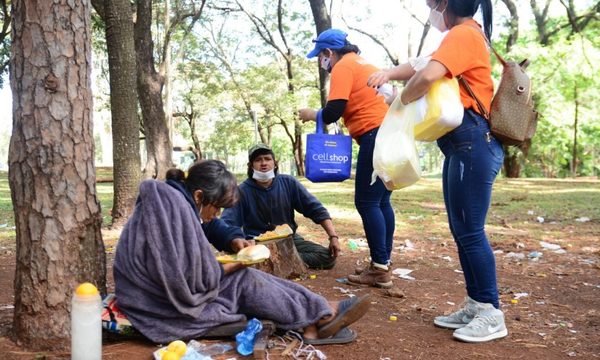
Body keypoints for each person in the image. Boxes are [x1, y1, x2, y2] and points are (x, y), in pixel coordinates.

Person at [367, 0, 507, 343]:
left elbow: (427, 75)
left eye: (432, 3)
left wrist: (401, 100)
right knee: (462, 229)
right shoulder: (461, 36)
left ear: (446, 2)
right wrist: (390, 75)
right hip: (464, 146)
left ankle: (491, 312)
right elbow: (421, 63)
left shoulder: (464, 33)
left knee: (470, 230)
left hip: (474, 143)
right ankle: (476, 303)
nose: (431, 10)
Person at [113, 159, 370, 344]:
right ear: (200, 196)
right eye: (218, 207)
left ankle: (318, 312)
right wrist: (234, 265)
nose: (218, 214)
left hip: (154, 291)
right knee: (243, 281)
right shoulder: (173, 211)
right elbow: (186, 279)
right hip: (154, 302)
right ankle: (318, 317)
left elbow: (210, 224)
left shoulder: (180, 200)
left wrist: (235, 240)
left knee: (246, 277)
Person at [298, 29, 394, 288]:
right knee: (381, 200)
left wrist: (312, 114)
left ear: (329, 52)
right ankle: (383, 262)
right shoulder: (366, 64)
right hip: (389, 134)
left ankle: (380, 268)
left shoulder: (343, 66)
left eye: (321, 56)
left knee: (366, 202)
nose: (322, 62)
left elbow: (333, 111)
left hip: (374, 135)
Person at [220, 144, 340, 269]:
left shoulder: (288, 182)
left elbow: (316, 209)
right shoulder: (241, 191)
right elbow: (227, 223)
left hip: (288, 240)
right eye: (258, 160)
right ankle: (276, 261)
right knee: (242, 259)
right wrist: (237, 241)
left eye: (267, 159)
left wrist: (333, 237)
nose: (263, 163)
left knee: (327, 257)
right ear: (251, 166)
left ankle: (274, 261)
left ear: (275, 163)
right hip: (256, 243)